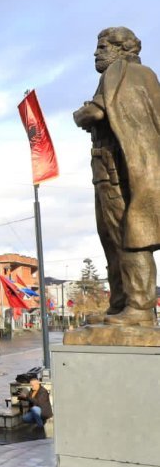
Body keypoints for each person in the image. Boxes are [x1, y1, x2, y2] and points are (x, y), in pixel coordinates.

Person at [73, 26, 160, 326]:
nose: (96, 53)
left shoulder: (122, 73)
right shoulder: (130, 77)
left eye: (102, 47)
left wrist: (81, 113)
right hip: (108, 172)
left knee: (129, 237)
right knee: (112, 239)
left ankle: (140, 307)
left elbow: (95, 113)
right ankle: (120, 303)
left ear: (122, 49)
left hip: (118, 173)